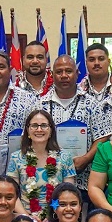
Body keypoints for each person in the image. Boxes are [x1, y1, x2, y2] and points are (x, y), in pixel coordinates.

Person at [37, 55, 97, 191]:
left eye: (68, 71)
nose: (64, 75)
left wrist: (86, 159)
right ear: (52, 75)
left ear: (77, 73)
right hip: (47, 180)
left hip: (84, 182)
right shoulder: (39, 104)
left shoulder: (91, 103)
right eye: (59, 72)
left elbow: (101, 137)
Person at [7, 109, 76, 222]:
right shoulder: (16, 158)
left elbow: (69, 194)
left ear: (51, 130)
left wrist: (52, 215)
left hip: (58, 216)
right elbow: (11, 194)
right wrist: (25, 216)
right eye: (34, 125)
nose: (39, 129)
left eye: (44, 125)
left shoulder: (65, 157)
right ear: (28, 131)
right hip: (25, 217)